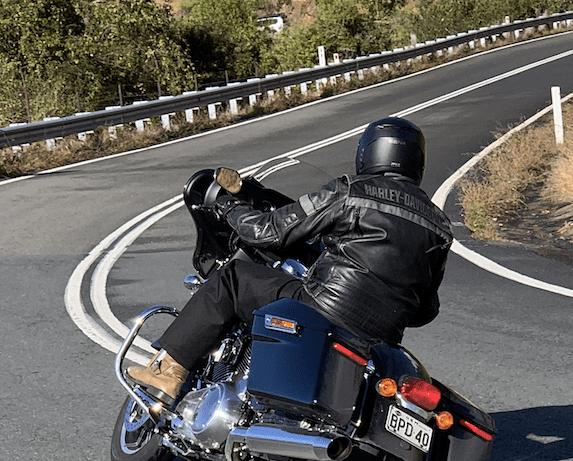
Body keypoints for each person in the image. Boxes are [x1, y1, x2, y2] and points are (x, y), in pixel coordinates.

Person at [126, 117, 453, 405]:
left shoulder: (351, 192)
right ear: (417, 162)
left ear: (367, 153)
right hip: (382, 338)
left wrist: (229, 208)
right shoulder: (439, 226)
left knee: (233, 278)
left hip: (323, 307)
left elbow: (268, 232)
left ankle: (168, 371)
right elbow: (426, 310)